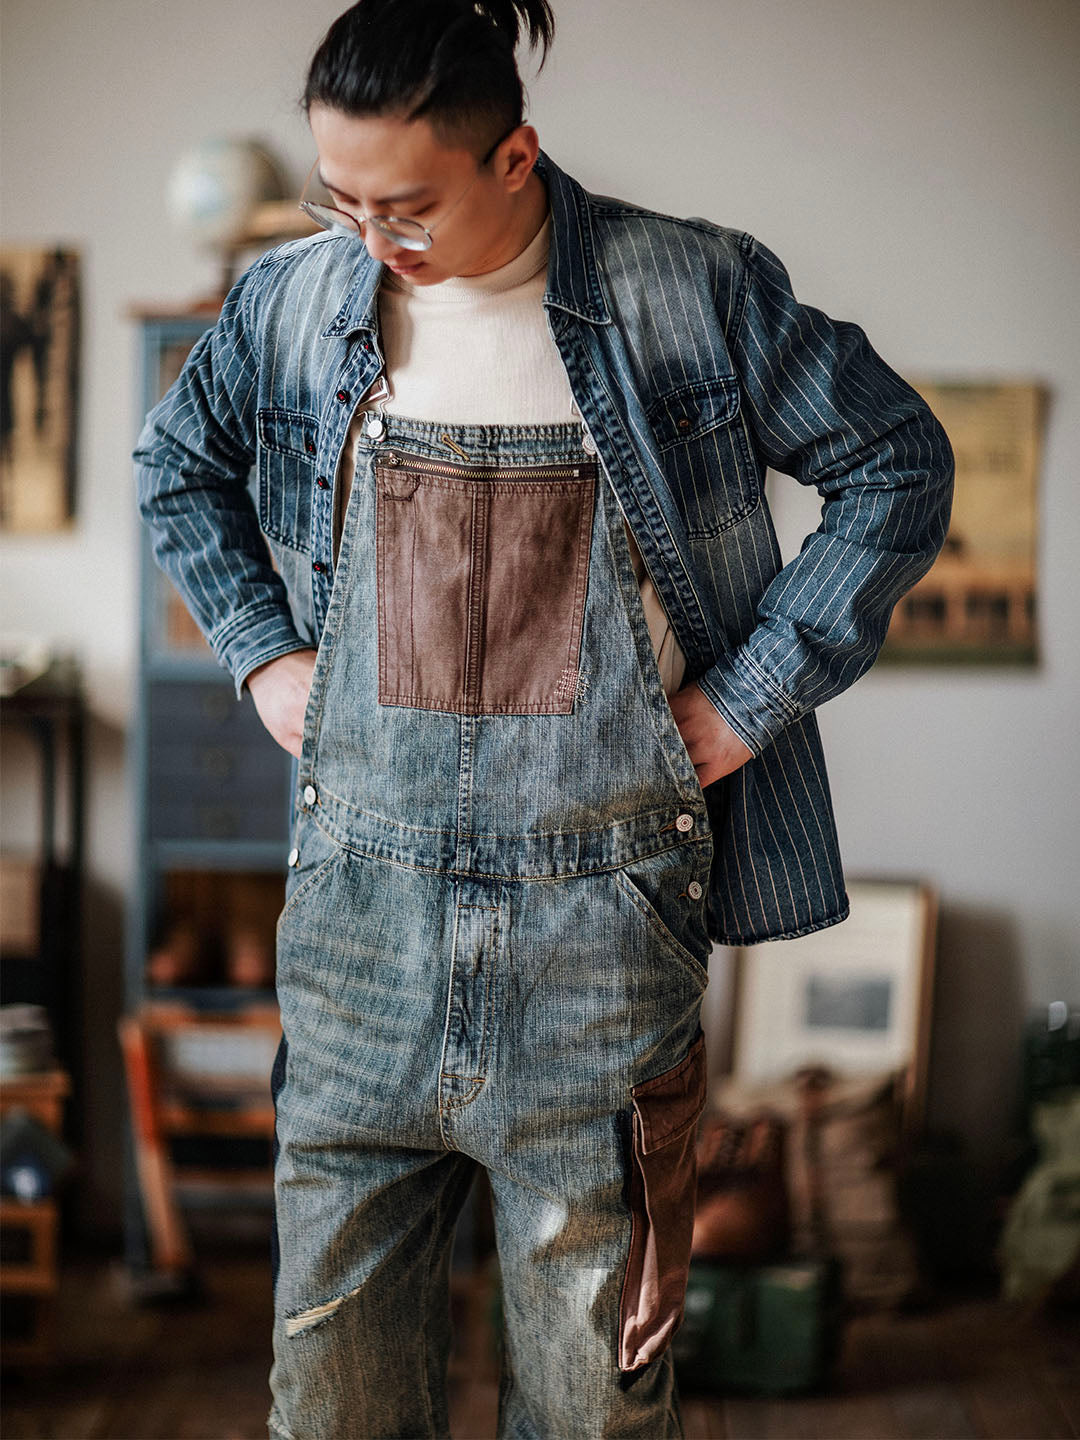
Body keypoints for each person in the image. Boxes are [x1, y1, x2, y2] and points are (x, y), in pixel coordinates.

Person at [133, 2, 954, 1434]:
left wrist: (743, 704)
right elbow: (175, 465)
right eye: (340, 197)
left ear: (515, 156)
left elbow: (897, 461)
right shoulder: (296, 302)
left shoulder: (689, 290)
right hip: (357, 947)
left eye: (406, 206)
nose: (368, 237)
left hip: (602, 955)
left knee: (593, 1408)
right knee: (329, 1408)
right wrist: (262, 655)